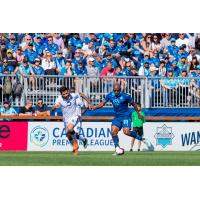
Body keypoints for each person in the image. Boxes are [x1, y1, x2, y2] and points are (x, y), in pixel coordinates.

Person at [92, 82, 149, 155]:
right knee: (113, 131)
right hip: (117, 117)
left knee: (126, 132)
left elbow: (134, 104)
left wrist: (138, 114)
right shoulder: (110, 95)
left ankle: (141, 138)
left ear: (120, 89)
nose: (116, 92)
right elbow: (102, 104)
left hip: (126, 116)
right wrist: (95, 107)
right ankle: (117, 148)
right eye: (115, 90)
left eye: (117, 90)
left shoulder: (126, 96)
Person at [52, 86, 93, 155]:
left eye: (66, 93)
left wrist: (89, 103)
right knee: (68, 135)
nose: (65, 95)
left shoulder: (74, 96)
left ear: (68, 91)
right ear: (61, 94)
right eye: (63, 94)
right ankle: (76, 146)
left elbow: (81, 94)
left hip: (75, 116)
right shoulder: (59, 99)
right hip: (66, 119)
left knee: (70, 129)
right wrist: (54, 107)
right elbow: (54, 108)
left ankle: (75, 145)